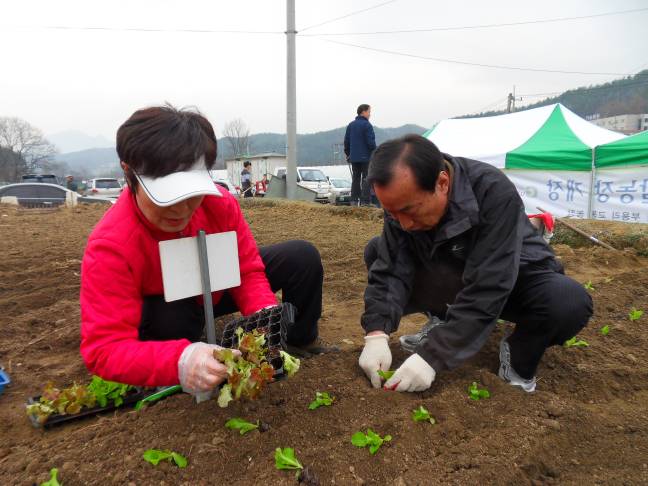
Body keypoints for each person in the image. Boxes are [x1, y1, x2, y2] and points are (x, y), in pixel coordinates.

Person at [80, 105, 334, 398]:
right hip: (166, 303)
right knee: (172, 319)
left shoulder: (219, 205)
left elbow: (246, 269)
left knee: (301, 257)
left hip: (213, 285)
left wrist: (265, 315)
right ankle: (184, 351)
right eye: (165, 196)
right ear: (129, 172)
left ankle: (298, 342)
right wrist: (180, 359)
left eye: (191, 193)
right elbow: (103, 349)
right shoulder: (111, 244)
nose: (181, 208)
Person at [358, 134, 592, 393]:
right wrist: (376, 332)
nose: (403, 224)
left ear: (442, 183)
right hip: (455, 275)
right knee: (377, 249)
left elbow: (490, 284)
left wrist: (432, 357)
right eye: (392, 213)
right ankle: (443, 321)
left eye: (409, 211)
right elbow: (391, 268)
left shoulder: (492, 191)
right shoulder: (404, 205)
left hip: (514, 278)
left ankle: (518, 354)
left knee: (567, 302)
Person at [344, 104, 376, 206]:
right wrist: (375, 152)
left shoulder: (351, 125)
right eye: (369, 112)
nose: (370, 114)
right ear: (363, 112)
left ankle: (354, 201)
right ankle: (365, 202)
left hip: (354, 157)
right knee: (366, 178)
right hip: (366, 157)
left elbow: (346, 142)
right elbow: (371, 143)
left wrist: (348, 154)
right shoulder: (367, 125)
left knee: (355, 178)